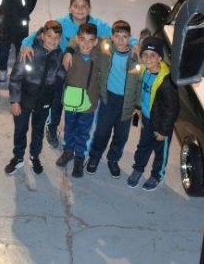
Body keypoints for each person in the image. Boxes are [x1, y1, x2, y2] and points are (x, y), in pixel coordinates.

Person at [19, 0, 132, 149]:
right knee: (57, 102)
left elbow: (117, 33)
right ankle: (52, 128)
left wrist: (134, 43)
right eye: (76, 6)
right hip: (61, 70)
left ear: (90, 9)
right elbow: (40, 32)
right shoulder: (62, 22)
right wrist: (26, 44)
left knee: (81, 104)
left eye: (84, 6)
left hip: (84, 71)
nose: (80, 9)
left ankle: (78, 138)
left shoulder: (97, 25)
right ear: (70, 8)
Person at [5, 20, 66, 176]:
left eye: (56, 38)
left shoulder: (60, 56)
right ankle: (18, 157)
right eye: (49, 36)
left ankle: (34, 156)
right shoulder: (29, 51)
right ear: (42, 35)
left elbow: (60, 79)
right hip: (24, 100)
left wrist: (55, 102)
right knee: (20, 130)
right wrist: (14, 101)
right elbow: (15, 78)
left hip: (44, 102)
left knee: (38, 132)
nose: (52, 41)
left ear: (60, 39)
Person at [86, 20, 143, 178]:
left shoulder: (136, 56)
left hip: (127, 102)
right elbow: (92, 35)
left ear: (129, 37)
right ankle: (95, 156)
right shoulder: (106, 48)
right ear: (112, 37)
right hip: (108, 99)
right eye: (117, 36)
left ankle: (113, 159)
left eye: (125, 37)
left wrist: (138, 105)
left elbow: (140, 82)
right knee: (102, 131)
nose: (120, 40)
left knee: (121, 135)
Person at [127, 37, 180, 191]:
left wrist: (164, 131)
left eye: (153, 55)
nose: (148, 58)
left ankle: (157, 175)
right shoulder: (145, 70)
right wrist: (138, 107)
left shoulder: (166, 82)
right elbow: (142, 92)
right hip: (147, 118)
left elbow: (172, 109)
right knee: (143, 145)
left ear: (160, 58)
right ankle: (138, 168)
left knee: (160, 151)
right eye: (145, 55)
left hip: (161, 123)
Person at [55, 23, 104, 178]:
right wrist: (69, 51)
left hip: (89, 104)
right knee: (69, 128)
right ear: (77, 39)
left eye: (91, 40)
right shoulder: (70, 55)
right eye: (82, 39)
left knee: (83, 132)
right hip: (71, 101)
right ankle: (68, 151)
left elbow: (113, 42)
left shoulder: (100, 56)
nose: (86, 44)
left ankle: (79, 158)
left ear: (96, 41)